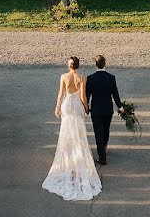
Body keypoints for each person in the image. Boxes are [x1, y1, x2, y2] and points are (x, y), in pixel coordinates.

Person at [41, 56, 102, 201]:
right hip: (76, 106)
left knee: (66, 133)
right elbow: (83, 96)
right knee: (78, 134)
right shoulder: (81, 77)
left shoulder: (64, 76)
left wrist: (57, 107)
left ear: (69, 66)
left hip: (67, 104)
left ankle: (68, 159)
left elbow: (61, 94)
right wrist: (86, 108)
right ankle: (77, 159)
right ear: (78, 66)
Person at [85, 54, 123, 165]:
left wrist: (85, 107)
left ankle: (102, 157)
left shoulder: (90, 78)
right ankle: (104, 147)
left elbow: (87, 95)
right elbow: (115, 94)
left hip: (96, 110)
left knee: (98, 133)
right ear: (105, 64)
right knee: (106, 130)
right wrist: (120, 107)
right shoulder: (111, 78)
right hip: (107, 110)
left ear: (95, 65)